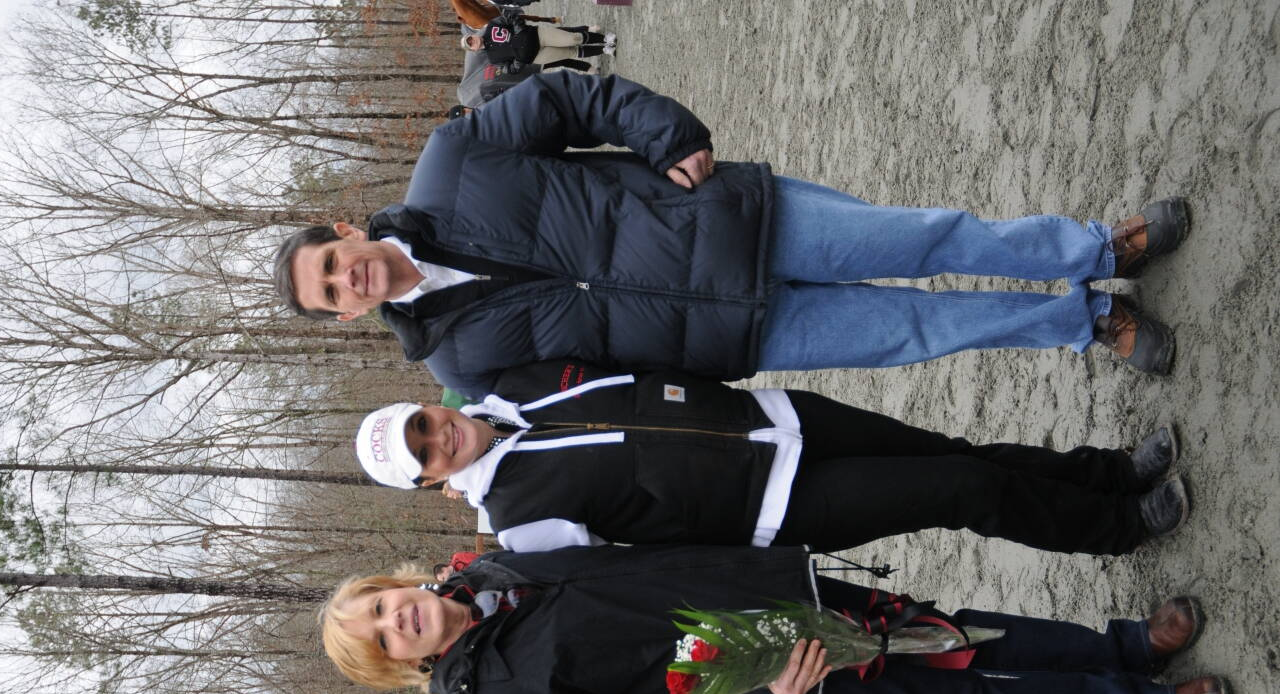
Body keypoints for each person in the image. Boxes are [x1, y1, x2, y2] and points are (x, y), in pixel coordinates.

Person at [273, 72, 1191, 400]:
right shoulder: (457, 367)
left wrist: (667, 133)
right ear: (346, 317)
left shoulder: (450, 164)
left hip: (735, 222)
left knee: (928, 239)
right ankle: (1086, 324)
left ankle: (1098, 252)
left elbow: (569, 99)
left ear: (346, 230)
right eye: (330, 295)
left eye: (330, 262)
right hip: (726, 339)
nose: (346, 281)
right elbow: (590, 396)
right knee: (920, 331)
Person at [319, 544, 1228, 694]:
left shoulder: (501, 571)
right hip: (779, 673)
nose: (396, 618)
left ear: (398, 583)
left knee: (954, 628)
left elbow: (643, 561)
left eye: (381, 603)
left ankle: (1125, 648)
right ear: (405, 661)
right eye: (386, 637)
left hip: (780, 594)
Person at [353, 359, 1189, 556]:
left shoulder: (518, 383)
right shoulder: (515, 522)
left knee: (957, 451)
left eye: (424, 423)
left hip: (777, 416)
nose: (439, 439)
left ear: (430, 404)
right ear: (430, 484)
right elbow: (624, 566)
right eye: (424, 457)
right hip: (774, 507)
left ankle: (1111, 471)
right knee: (959, 488)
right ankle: (1119, 527)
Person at [461, 13, 613, 72]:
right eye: (471, 44)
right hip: (537, 56)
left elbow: (510, 16)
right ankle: (605, 50)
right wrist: (519, 63)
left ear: (473, 35)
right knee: (571, 52)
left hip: (537, 35)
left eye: (471, 38)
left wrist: (520, 28)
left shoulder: (492, 26)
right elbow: (508, 69)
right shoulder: (492, 58)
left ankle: (604, 39)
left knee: (573, 38)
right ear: (474, 50)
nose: (473, 41)